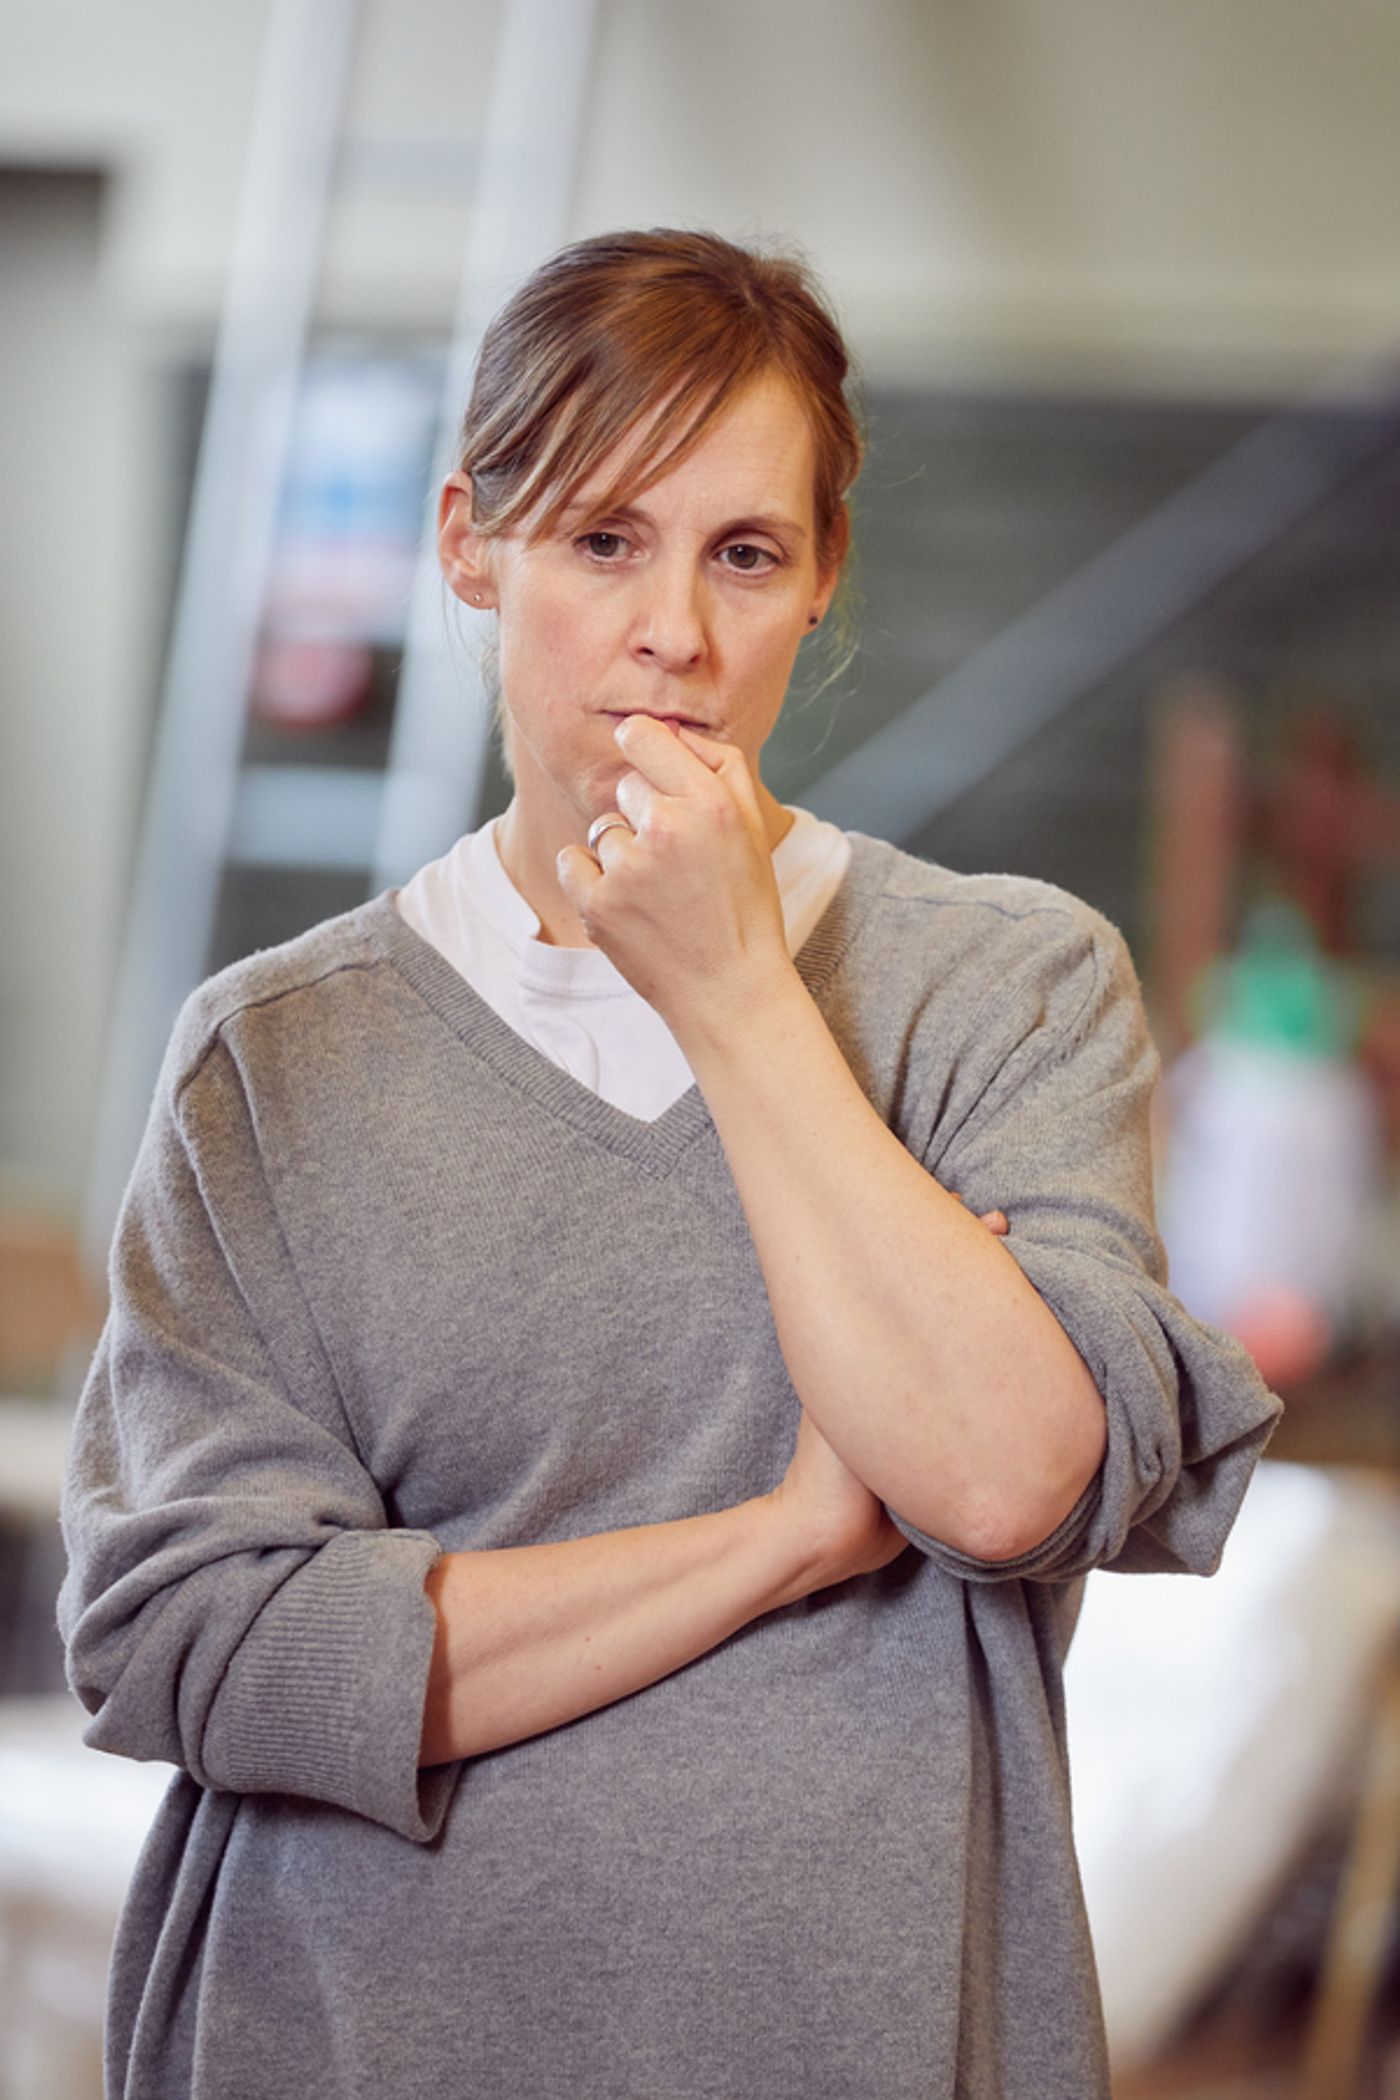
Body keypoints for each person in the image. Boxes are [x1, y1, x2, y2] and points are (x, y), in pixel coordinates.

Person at [59, 229, 1281, 2100]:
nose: (675, 638)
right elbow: (197, 1649)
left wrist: (733, 996)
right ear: (474, 543)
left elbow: (1014, 1479)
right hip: (342, 2036)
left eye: (745, 553)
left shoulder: (1010, 986)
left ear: (822, 578)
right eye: (602, 539)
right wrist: (784, 1542)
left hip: (850, 2038)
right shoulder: (272, 1060)